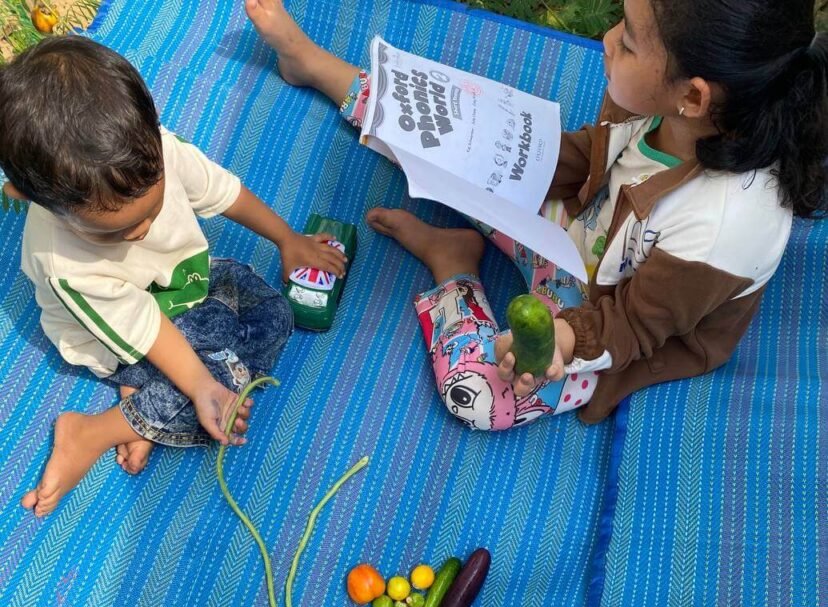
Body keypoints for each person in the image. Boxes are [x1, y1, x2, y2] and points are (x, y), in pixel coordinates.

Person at [245, 0, 827, 429]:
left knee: (476, 394)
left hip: (600, 319)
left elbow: (633, 327)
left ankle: (454, 268)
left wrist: (562, 339)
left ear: (694, 96)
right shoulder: (656, 102)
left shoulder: (725, 226)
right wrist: (494, 157)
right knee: (454, 141)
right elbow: (590, 160)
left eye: (626, 40)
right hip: (572, 228)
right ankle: (316, 66)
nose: (606, 37)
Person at [0, 36, 347, 516]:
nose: (142, 231)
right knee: (216, 393)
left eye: (152, 208)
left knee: (274, 313)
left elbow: (223, 193)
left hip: (181, 290)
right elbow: (144, 325)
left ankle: (142, 403)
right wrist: (201, 386)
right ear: (31, 197)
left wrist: (287, 239)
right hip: (122, 335)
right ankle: (93, 430)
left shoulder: (157, 151)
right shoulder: (65, 263)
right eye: (116, 232)